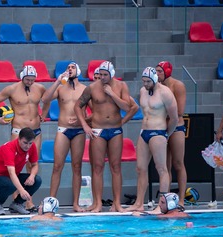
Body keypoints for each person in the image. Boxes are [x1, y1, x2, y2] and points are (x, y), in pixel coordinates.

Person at [74, 61, 138, 213]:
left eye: (105, 75)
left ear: (112, 74)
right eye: (100, 75)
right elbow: (78, 105)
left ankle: (117, 203)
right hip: (98, 130)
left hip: (115, 130)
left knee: (116, 167)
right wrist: (84, 125)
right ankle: (98, 204)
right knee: (97, 167)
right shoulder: (92, 88)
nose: (102, 78)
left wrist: (111, 93)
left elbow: (127, 107)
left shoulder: (121, 87)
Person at [0, 65, 46, 211]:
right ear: (22, 77)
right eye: (27, 79)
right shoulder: (12, 89)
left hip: (35, 131)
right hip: (19, 131)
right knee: (14, 167)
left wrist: (44, 113)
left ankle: (26, 202)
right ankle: (16, 198)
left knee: (32, 165)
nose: (30, 82)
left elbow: (49, 98)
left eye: (32, 80)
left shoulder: (39, 88)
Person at [125, 67, 178, 212]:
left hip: (159, 132)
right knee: (140, 168)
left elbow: (174, 118)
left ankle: (162, 204)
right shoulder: (143, 91)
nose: (145, 84)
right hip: (144, 132)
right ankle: (139, 203)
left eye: (148, 81)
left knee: (161, 169)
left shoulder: (166, 93)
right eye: (143, 81)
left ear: (155, 79)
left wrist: (166, 133)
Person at [42, 62, 87, 212]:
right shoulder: (60, 89)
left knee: (77, 166)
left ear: (78, 71)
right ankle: (51, 202)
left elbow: (95, 112)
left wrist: (83, 121)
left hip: (79, 131)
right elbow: (45, 99)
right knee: (57, 166)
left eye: (72, 67)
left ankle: (76, 203)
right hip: (63, 129)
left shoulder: (85, 90)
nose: (69, 69)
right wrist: (57, 81)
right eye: (68, 68)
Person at [0, 128, 42, 215]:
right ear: (19, 139)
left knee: (37, 180)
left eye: (30, 143)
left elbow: (35, 165)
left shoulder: (32, 147)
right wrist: (21, 190)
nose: (27, 146)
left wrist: (32, 176)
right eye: (25, 143)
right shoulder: (9, 148)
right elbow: (11, 172)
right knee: (11, 185)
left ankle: (17, 203)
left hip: (12, 177)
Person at [156, 61, 188, 208]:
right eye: (156, 71)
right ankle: (165, 201)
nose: (157, 74)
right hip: (161, 128)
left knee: (178, 164)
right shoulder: (156, 87)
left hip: (176, 128)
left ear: (167, 72)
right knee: (164, 166)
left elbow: (179, 112)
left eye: (159, 72)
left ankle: (181, 200)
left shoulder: (178, 86)